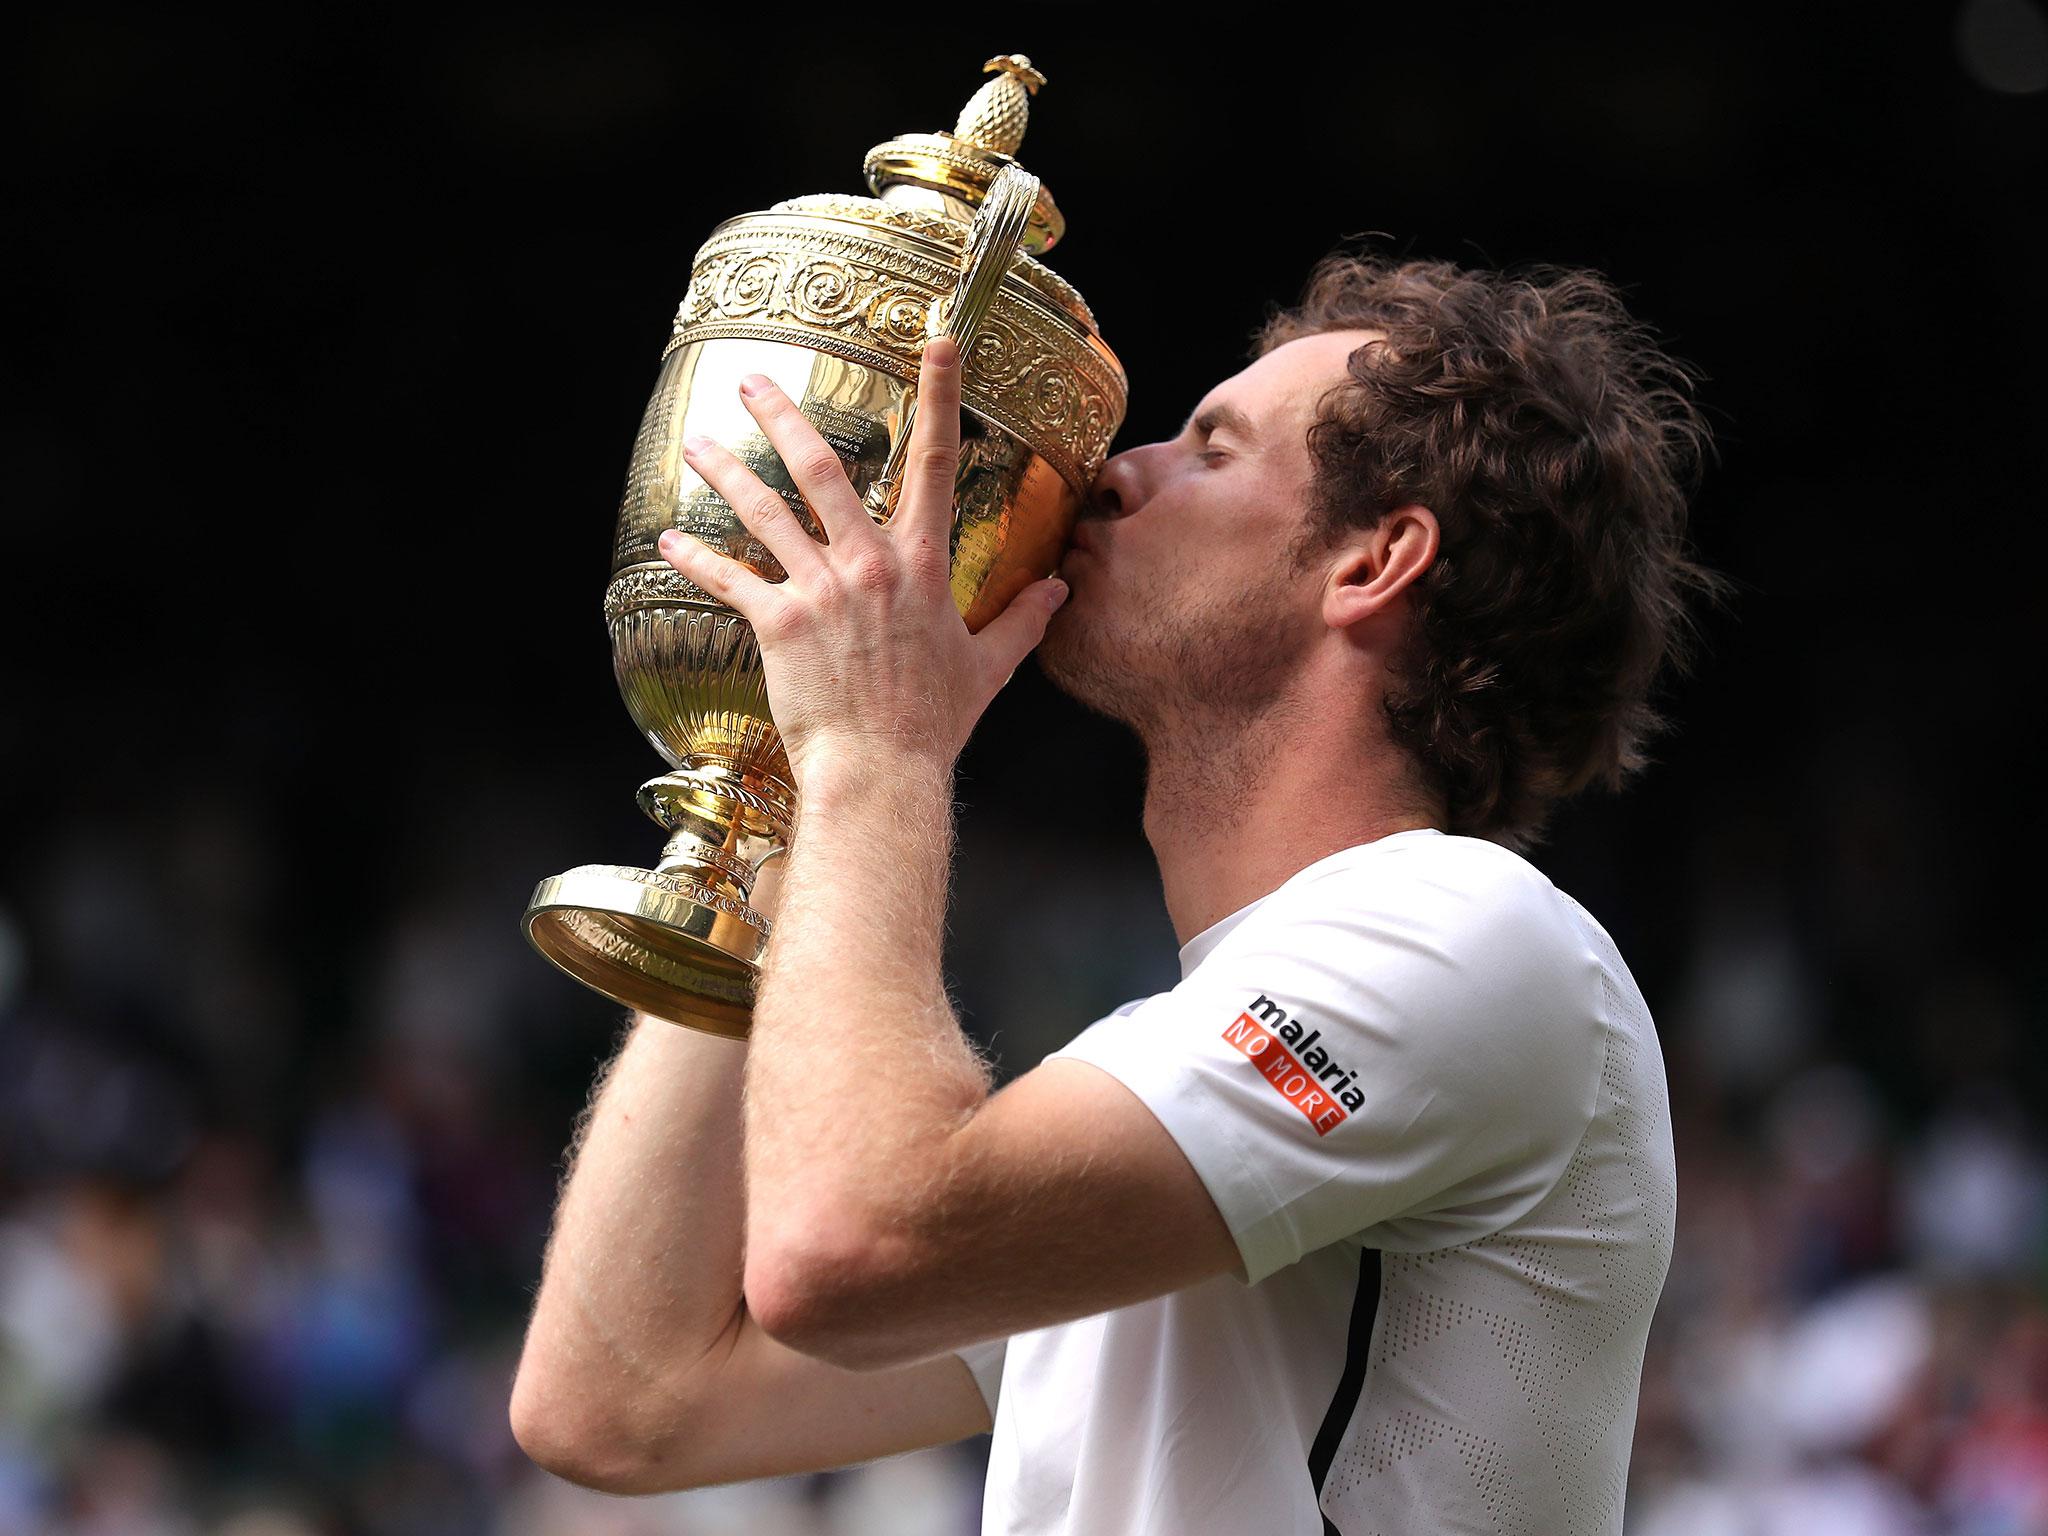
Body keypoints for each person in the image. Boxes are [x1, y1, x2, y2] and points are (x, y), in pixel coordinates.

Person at [508, 250, 1729, 1534]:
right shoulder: (1156, 1082)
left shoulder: (1472, 932)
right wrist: (775, 782)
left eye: (1210, 449)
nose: (1115, 474)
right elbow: (620, 1403)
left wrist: (874, 750)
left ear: (1372, 562)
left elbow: (847, 1246)